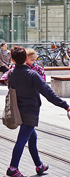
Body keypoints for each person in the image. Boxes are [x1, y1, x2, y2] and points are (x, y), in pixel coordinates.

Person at [5, 46, 70, 177]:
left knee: (32, 138)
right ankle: (13, 168)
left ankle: (39, 166)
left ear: (12, 59)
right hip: (30, 111)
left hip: (18, 110)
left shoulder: (11, 73)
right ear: (26, 59)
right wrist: (66, 106)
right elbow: (48, 93)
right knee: (22, 140)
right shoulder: (32, 74)